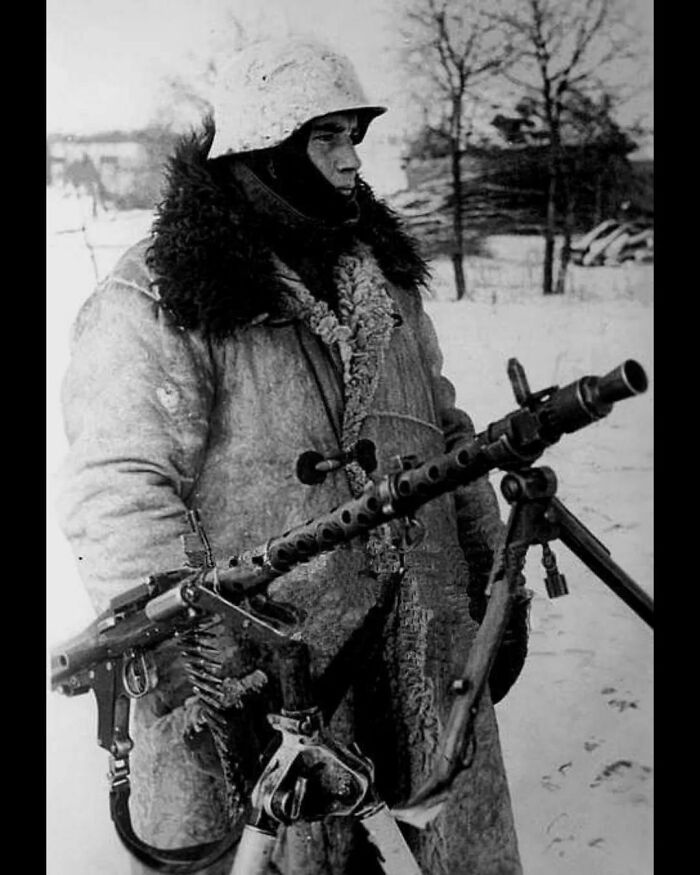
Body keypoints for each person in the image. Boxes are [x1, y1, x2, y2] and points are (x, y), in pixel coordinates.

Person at [56, 36, 529, 875]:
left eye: (355, 137)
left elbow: (448, 436)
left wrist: (494, 582)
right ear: (266, 151)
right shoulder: (159, 299)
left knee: (444, 839)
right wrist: (206, 672)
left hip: (419, 642)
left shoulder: (381, 281)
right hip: (262, 675)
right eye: (327, 138)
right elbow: (119, 495)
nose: (352, 162)